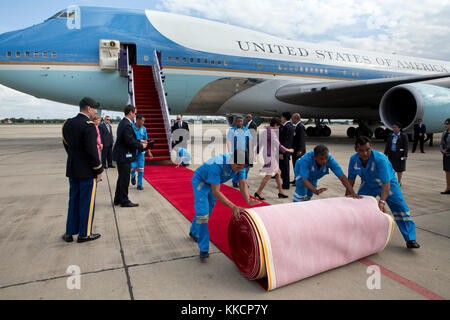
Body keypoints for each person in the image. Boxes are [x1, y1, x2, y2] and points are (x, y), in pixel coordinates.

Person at [347, 136, 420, 249]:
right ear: (356, 150)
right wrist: (347, 196)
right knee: (361, 206)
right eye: (361, 150)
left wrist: (381, 202)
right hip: (368, 183)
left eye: (368, 149)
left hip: (388, 183)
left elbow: (386, 184)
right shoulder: (353, 160)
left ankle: (410, 238)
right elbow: (350, 179)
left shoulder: (379, 159)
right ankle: (364, 235)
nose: (365, 153)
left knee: (399, 206)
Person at [189, 149, 261, 259]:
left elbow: (242, 183)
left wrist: (248, 199)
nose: (240, 170)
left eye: (243, 167)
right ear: (232, 160)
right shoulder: (217, 164)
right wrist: (233, 207)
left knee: (206, 212)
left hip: (214, 183)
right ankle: (204, 248)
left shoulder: (240, 164)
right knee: (202, 214)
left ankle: (194, 232)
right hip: (201, 182)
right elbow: (216, 191)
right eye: (238, 167)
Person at [61, 97, 103, 243]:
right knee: (86, 202)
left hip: (72, 169)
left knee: (73, 200)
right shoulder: (89, 125)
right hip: (87, 171)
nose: (96, 112)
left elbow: (67, 145)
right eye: (95, 109)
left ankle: (69, 232)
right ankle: (84, 234)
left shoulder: (68, 123)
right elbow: (91, 151)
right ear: (89, 108)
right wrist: (98, 169)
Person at [293, 145, 360, 202]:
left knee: (309, 194)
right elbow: (304, 180)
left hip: (314, 174)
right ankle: (295, 208)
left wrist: (352, 192)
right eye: (321, 159)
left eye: (326, 158)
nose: (324, 161)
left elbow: (342, 176)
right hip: (300, 172)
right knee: (301, 191)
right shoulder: (305, 161)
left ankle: (305, 206)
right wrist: (315, 191)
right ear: (315, 157)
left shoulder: (330, 159)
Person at [113, 105, 147, 207]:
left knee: (121, 178)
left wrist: (139, 140)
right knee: (124, 179)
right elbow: (129, 141)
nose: (135, 115)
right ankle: (124, 200)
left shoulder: (124, 122)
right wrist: (141, 145)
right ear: (130, 113)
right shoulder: (127, 124)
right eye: (135, 113)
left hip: (121, 155)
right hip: (124, 156)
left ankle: (117, 199)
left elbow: (129, 138)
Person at [254, 117, 294, 200]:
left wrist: (257, 152)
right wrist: (288, 150)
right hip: (270, 156)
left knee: (278, 173)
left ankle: (280, 192)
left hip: (267, 155)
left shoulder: (265, 131)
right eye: (278, 126)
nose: (278, 128)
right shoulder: (271, 133)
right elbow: (278, 145)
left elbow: (259, 143)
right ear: (276, 125)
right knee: (268, 175)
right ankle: (258, 192)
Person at [226, 116, 252, 188]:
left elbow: (249, 140)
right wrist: (229, 152)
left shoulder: (246, 129)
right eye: (238, 121)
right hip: (235, 152)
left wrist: (251, 151)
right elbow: (228, 141)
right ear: (236, 122)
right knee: (236, 168)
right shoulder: (232, 130)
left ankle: (243, 181)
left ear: (243, 122)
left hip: (244, 152)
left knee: (245, 167)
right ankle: (235, 182)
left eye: (241, 121)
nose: (240, 122)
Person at [131, 114, 152, 191]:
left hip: (141, 153)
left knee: (141, 168)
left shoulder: (144, 129)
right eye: (142, 121)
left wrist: (149, 151)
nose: (143, 122)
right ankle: (133, 176)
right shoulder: (131, 127)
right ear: (138, 120)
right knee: (132, 167)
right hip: (133, 151)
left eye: (144, 121)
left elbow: (146, 140)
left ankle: (139, 184)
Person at [291, 113, 306, 186]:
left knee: (299, 166)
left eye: (292, 118)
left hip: (298, 151)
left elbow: (302, 140)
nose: (291, 120)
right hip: (295, 150)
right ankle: (296, 179)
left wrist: (301, 150)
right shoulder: (296, 127)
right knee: (295, 166)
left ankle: (299, 181)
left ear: (296, 119)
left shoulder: (301, 127)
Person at [279, 112, 294, 190]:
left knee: (284, 168)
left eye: (281, 117)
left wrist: (281, 152)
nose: (281, 119)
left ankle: (285, 185)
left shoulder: (286, 127)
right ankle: (285, 183)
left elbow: (284, 141)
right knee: (285, 168)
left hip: (284, 151)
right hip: (287, 150)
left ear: (284, 118)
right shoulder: (290, 126)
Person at [440, 118, 450, 194]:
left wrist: (448, 150)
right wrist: (442, 150)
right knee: (447, 171)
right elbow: (441, 143)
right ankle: (448, 188)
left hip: (449, 153)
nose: (446, 125)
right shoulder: (444, 133)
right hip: (446, 155)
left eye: (447, 123)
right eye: (445, 123)